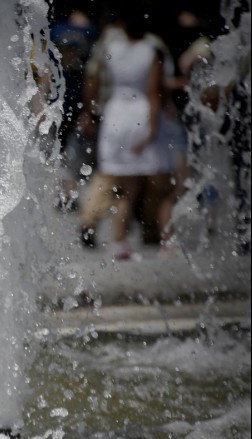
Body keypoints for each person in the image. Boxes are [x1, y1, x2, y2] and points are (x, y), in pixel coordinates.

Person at [76, 10, 177, 260]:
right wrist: (152, 129)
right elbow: (154, 92)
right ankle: (165, 241)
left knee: (123, 188)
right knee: (162, 186)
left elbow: (93, 77)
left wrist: (88, 111)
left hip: (115, 114)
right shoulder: (152, 51)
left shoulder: (111, 47)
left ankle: (118, 241)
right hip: (140, 113)